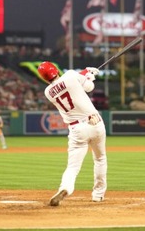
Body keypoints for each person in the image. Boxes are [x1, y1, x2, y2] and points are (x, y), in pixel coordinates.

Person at [37, 61, 107, 206]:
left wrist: (85, 72)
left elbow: (68, 83)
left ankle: (65, 188)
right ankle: (98, 195)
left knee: (72, 167)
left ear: (44, 78)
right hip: (95, 122)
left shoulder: (48, 92)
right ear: (56, 70)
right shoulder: (70, 75)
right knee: (100, 159)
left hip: (77, 130)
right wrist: (90, 76)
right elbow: (89, 87)